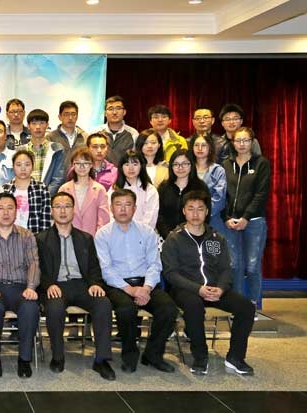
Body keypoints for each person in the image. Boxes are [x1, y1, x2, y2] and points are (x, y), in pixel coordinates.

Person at [162, 190, 256, 376]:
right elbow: (171, 273)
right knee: (194, 306)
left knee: (246, 307)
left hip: (215, 289)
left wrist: (220, 288)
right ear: (184, 211)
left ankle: (235, 357)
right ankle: (200, 356)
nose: (195, 214)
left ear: (206, 212)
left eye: (200, 209)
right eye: (191, 209)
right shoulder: (174, 238)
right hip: (185, 289)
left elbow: (225, 269)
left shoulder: (217, 238)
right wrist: (198, 289)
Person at [95, 189, 178, 374]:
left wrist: (146, 288)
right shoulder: (102, 234)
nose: (123, 209)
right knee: (126, 310)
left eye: (128, 205)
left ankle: (153, 355)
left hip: (145, 282)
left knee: (168, 309)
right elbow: (106, 270)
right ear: (111, 208)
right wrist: (131, 290)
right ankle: (129, 356)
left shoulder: (147, 232)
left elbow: (154, 264)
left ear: (134, 208)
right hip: (117, 285)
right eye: (118, 205)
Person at [37, 191, 115, 380]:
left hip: (82, 285)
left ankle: (101, 360)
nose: (63, 211)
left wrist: (95, 283)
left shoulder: (86, 238)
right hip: (56, 286)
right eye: (58, 207)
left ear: (74, 210)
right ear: (51, 211)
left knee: (103, 304)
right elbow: (37, 269)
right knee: (54, 308)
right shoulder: (40, 239)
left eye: (67, 206)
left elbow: (94, 266)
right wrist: (48, 285)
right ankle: (57, 356)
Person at [0, 192, 40, 378]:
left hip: (21, 287)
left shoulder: (27, 236)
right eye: (1, 208)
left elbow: (34, 263)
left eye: (10, 208)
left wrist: (31, 287)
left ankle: (24, 360)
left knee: (30, 309)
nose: (5, 212)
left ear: (16, 211)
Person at [222, 127, 270, 305]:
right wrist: (226, 217)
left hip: (254, 221)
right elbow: (223, 194)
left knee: (252, 266)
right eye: (238, 140)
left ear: (252, 142)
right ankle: (239, 306)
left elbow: (261, 194)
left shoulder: (261, 163)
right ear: (233, 143)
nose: (242, 144)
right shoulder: (226, 165)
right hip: (230, 222)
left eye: (246, 140)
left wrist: (246, 217)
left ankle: (253, 305)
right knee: (234, 266)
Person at [156, 149, 209, 240]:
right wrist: (169, 235)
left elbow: (205, 214)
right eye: (176, 164)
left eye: (185, 163)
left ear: (191, 165)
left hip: (193, 238)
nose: (180, 168)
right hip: (168, 238)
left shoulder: (200, 187)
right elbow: (159, 215)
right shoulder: (164, 187)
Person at [58, 147, 110, 236]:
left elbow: (103, 220)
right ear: (73, 165)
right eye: (78, 163)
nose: (81, 167)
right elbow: (59, 216)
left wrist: (98, 239)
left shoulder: (99, 190)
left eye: (86, 163)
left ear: (91, 165)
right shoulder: (64, 189)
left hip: (92, 238)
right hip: (69, 237)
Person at [2, 150, 52, 234]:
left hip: (34, 236)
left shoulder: (41, 188)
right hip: (10, 237)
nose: (23, 168)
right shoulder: (5, 189)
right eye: (18, 165)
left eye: (27, 164)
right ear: (13, 167)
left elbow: (45, 219)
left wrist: (41, 240)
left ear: (32, 167)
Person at [20, 109, 65, 196]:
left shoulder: (57, 149)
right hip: (25, 197)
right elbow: (18, 176)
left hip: (48, 197)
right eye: (34, 123)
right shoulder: (21, 150)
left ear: (47, 125)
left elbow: (58, 178)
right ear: (28, 126)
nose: (38, 127)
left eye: (42, 123)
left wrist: (45, 196)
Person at [110, 149, 159, 228]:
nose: (131, 168)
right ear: (121, 167)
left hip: (143, 233)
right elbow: (110, 214)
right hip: (117, 231)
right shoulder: (114, 188)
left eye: (135, 164)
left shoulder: (150, 190)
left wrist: (138, 232)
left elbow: (150, 217)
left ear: (141, 166)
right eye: (127, 164)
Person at [188, 133, 227, 232]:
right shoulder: (186, 168)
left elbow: (219, 199)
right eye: (196, 145)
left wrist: (202, 213)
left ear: (210, 148)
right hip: (188, 220)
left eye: (204, 145)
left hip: (212, 220)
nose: (200, 148)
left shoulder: (218, 170)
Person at [92, 95, 139, 165]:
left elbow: (136, 158)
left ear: (124, 112)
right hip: (100, 171)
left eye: (118, 108)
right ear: (105, 113)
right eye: (110, 109)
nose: (114, 112)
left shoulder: (133, 134)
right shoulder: (95, 132)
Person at [46, 100, 88, 170]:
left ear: (77, 116)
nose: (70, 118)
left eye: (73, 114)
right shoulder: (51, 137)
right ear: (60, 117)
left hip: (80, 175)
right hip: (57, 177)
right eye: (66, 114)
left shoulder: (85, 137)